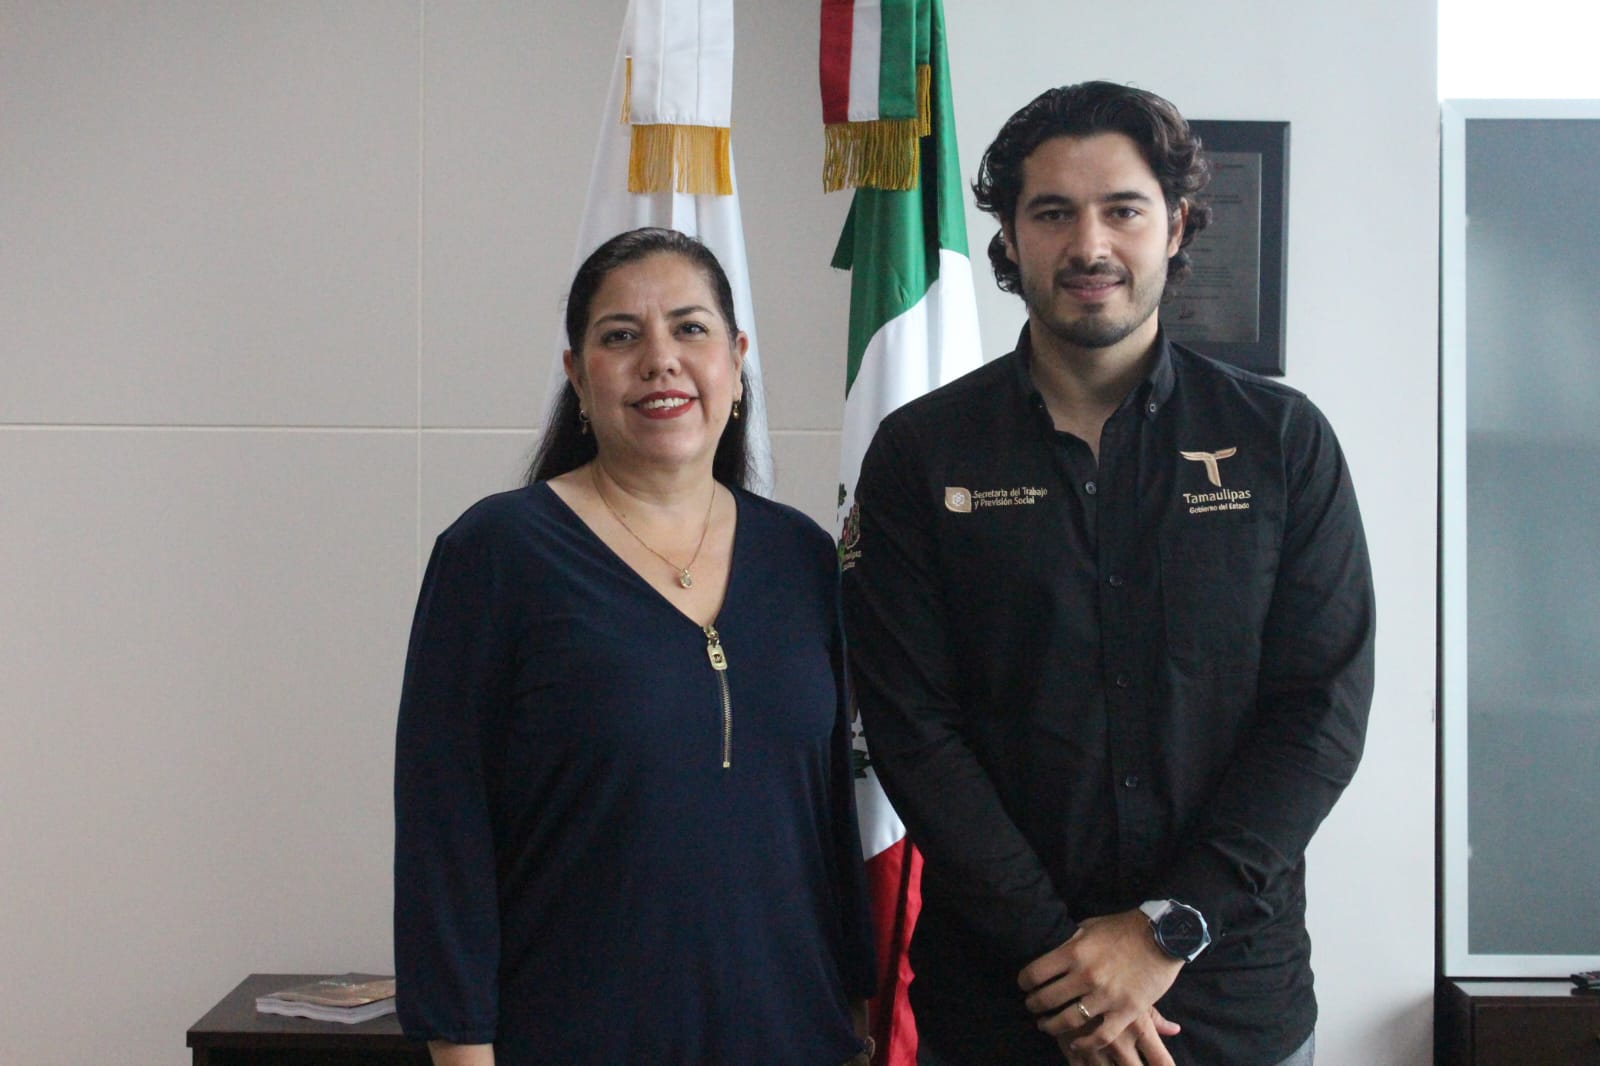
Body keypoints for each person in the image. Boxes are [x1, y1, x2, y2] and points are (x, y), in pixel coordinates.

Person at [841, 82, 1375, 1066]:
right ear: (1009, 238)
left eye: (1122, 209)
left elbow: (1320, 714)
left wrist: (1163, 930)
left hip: (1229, 1004)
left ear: (1176, 225)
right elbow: (913, 725)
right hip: (1005, 1005)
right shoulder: (921, 454)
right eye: (1052, 213)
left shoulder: (1280, 442)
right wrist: (1070, 964)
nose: (1089, 245)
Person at [394, 227, 877, 1066]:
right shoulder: (497, 555)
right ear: (578, 377)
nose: (660, 360)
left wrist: (856, 1013)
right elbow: (445, 838)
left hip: (794, 1036)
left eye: (690, 329)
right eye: (621, 336)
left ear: (736, 361)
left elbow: (830, 817)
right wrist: (461, 1048)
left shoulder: (802, 557)